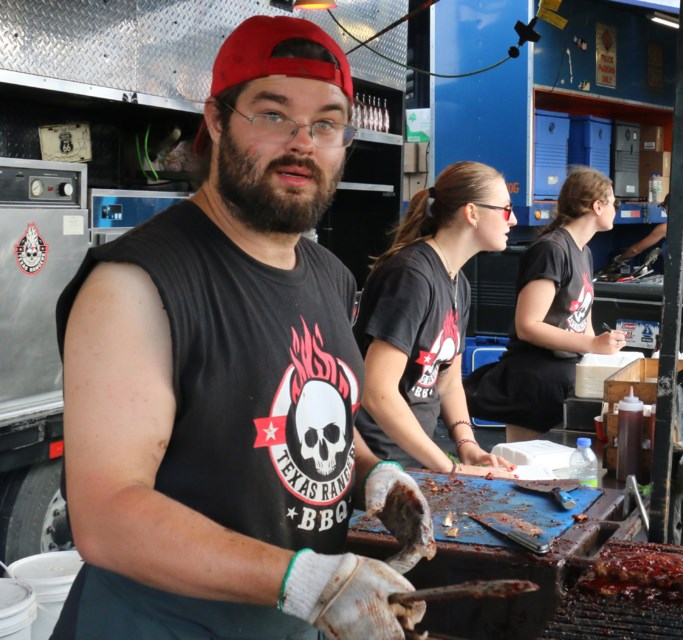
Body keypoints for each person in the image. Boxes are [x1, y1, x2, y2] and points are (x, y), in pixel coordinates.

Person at [54, 15, 434, 640]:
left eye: (326, 123)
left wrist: (375, 474)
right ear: (216, 120)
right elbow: (108, 517)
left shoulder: (331, 277)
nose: (301, 143)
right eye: (272, 114)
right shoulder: (138, 285)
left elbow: (301, 428)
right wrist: (308, 582)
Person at [353, 161, 516, 476]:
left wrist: (467, 445)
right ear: (472, 213)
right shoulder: (411, 275)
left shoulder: (458, 282)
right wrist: (449, 468)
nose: (514, 220)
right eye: (506, 210)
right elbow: (377, 391)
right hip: (377, 461)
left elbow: (449, 380)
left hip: (416, 457)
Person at [464, 166, 626, 443]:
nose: (616, 208)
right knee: (528, 471)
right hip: (534, 382)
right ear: (598, 206)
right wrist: (592, 346)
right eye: (614, 202)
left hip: (564, 379)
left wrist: (602, 349)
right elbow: (527, 326)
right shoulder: (551, 249)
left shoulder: (583, 251)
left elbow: (582, 318)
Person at [614, 192, 683, 288]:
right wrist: (661, 251)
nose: (665, 211)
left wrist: (619, 259)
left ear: (671, 207)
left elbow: (635, 250)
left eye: (664, 207)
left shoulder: (666, 228)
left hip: (681, 285)